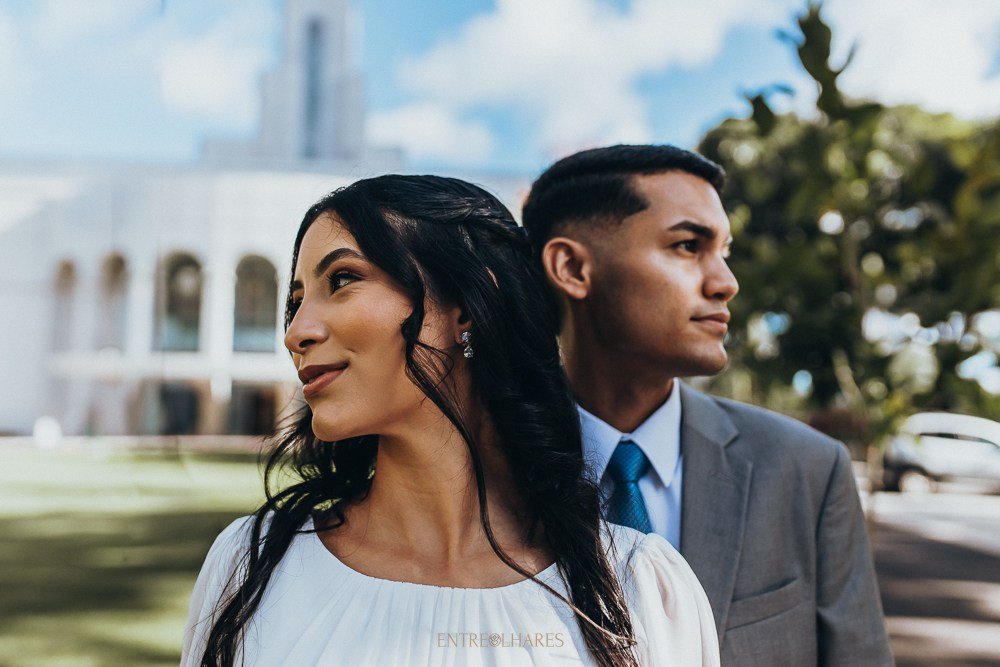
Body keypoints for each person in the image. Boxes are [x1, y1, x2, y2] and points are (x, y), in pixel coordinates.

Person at [181, 174, 719, 666]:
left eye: (342, 280)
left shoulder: (641, 589)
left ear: (467, 303)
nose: (296, 332)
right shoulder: (251, 568)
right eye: (297, 301)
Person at [522, 145, 893, 666]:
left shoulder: (806, 470)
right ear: (573, 267)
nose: (726, 283)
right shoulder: (485, 468)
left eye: (724, 251)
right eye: (687, 245)